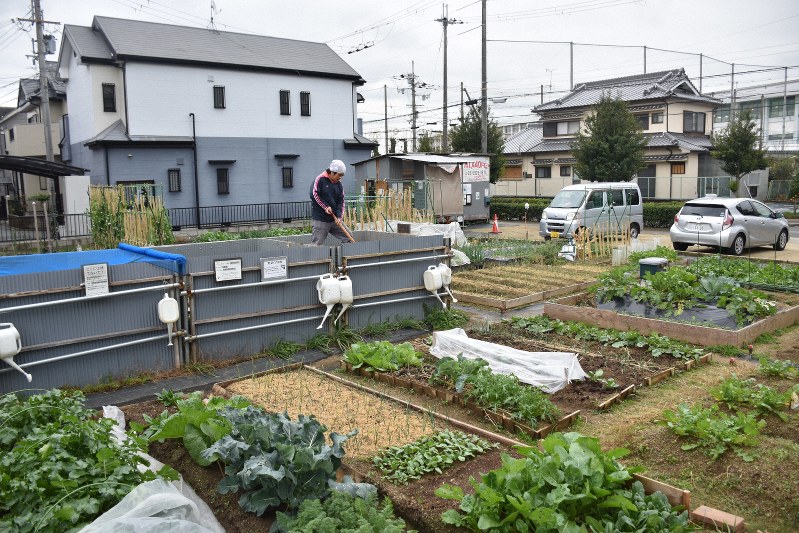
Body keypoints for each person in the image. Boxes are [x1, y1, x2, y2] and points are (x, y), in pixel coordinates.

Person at [310, 159, 349, 245]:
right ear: (332, 172)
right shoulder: (320, 180)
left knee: (348, 237)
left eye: (342, 176)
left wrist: (339, 217)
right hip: (321, 219)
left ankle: (340, 256)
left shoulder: (339, 185)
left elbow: (341, 201)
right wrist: (325, 207)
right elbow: (314, 195)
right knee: (317, 244)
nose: (340, 178)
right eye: (339, 175)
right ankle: (316, 258)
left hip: (334, 220)